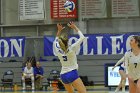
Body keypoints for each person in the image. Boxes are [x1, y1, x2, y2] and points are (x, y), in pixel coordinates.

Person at [53, 22, 87, 93]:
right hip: (72, 73)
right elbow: (82, 37)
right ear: (68, 41)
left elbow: (56, 39)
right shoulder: (72, 48)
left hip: (63, 75)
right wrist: (75, 27)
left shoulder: (57, 48)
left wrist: (59, 30)